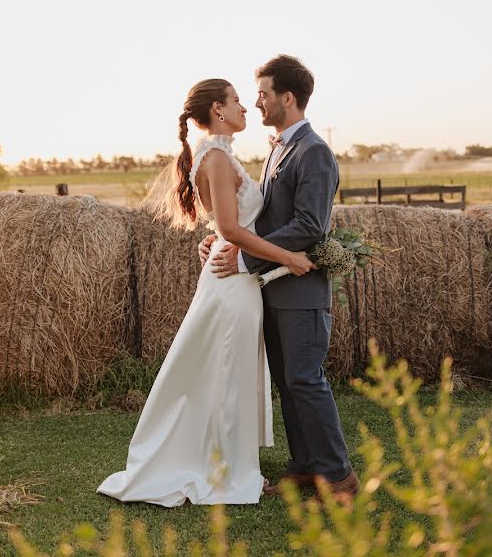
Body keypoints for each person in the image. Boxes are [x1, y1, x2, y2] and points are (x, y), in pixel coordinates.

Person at [97, 78, 314, 507]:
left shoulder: (219, 154)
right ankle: (226, 469)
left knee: (226, 368)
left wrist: (219, 238)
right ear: (217, 109)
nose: (246, 107)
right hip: (232, 281)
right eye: (236, 100)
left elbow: (226, 228)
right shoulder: (214, 156)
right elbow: (231, 227)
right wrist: (288, 258)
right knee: (227, 370)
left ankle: (229, 457)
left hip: (238, 275)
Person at [202, 55, 357, 501]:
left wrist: (246, 258)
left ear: (287, 98)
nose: (257, 102)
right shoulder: (278, 148)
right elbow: (263, 218)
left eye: (264, 94)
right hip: (275, 288)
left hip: (301, 291)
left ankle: (340, 476)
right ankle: (306, 465)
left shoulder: (315, 152)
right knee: (289, 383)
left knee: (306, 380)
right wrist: (222, 242)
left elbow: (310, 226)